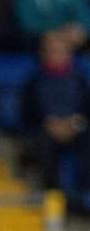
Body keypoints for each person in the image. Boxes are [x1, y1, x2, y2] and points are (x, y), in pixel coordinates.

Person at [21, 30, 90, 193]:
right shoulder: (33, 81)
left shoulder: (81, 80)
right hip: (45, 130)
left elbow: (86, 110)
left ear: (69, 53)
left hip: (76, 128)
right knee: (43, 144)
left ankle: (84, 194)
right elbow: (27, 115)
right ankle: (53, 196)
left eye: (59, 50)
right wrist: (48, 124)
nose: (54, 55)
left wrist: (75, 123)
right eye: (50, 50)